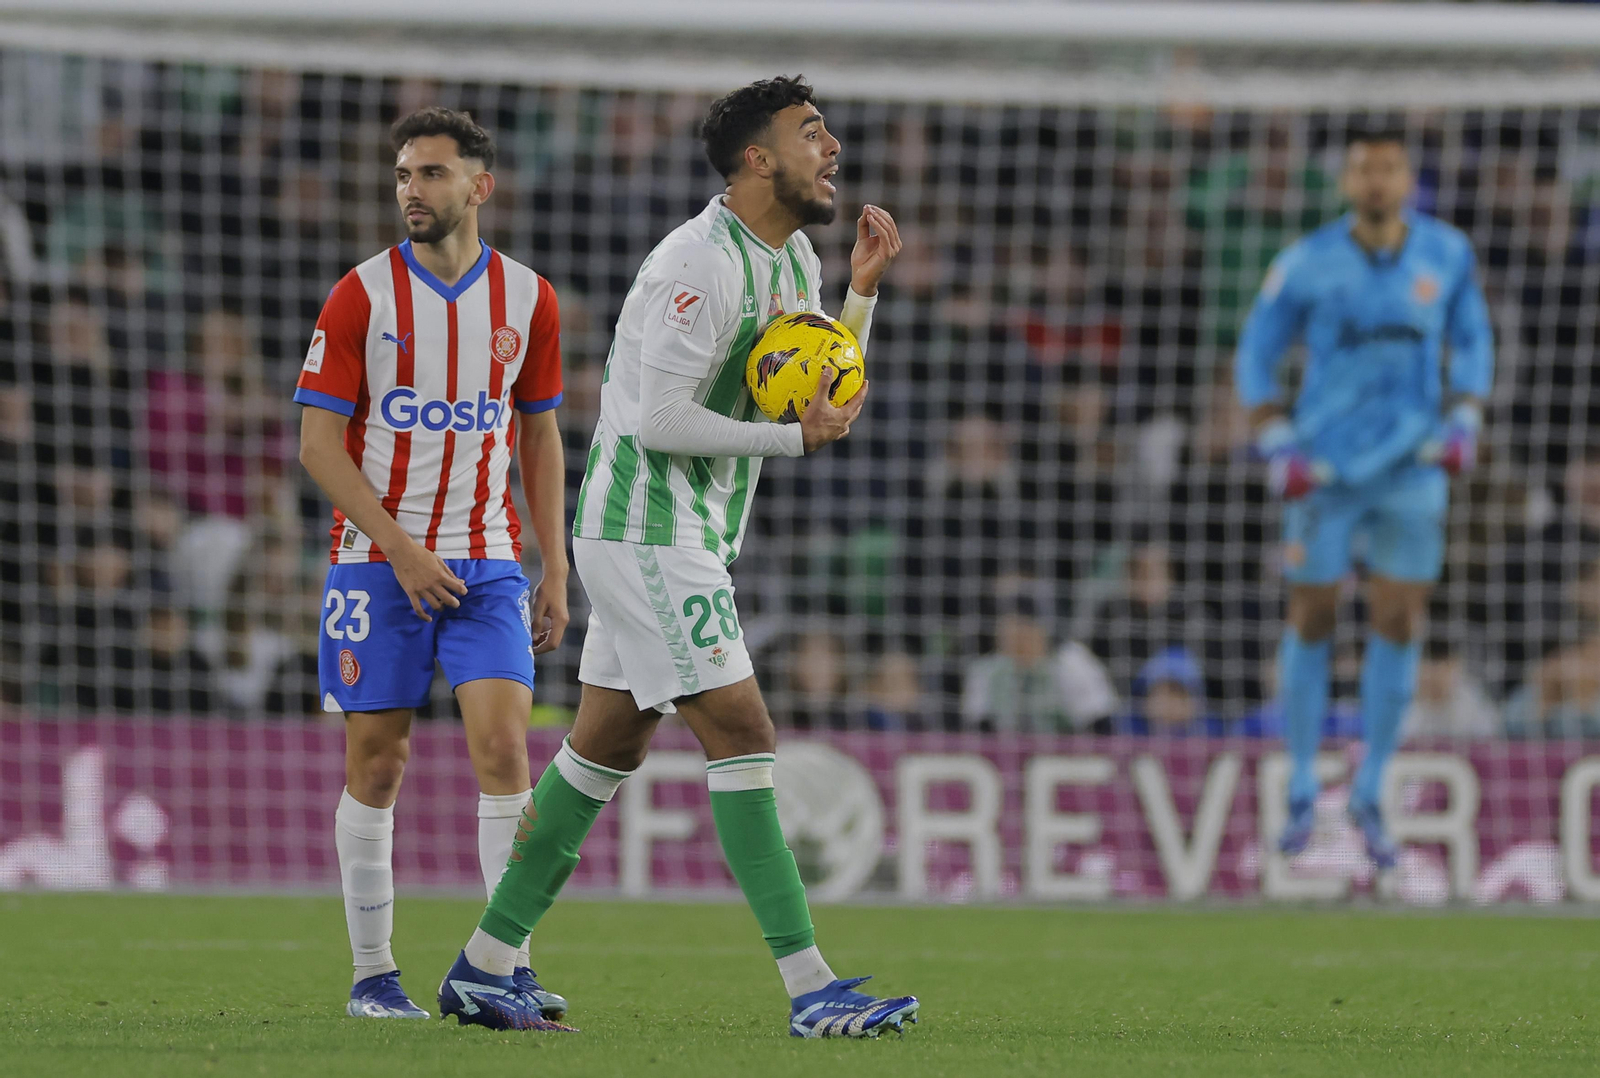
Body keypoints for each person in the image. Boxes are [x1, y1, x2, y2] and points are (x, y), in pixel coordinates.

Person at [435, 75, 919, 1039]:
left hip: (690, 530)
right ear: (757, 159)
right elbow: (658, 423)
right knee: (742, 729)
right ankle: (813, 989)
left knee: (607, 746)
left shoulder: (795, 262)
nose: (832, 148)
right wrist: (793, 444)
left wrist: (858, 295)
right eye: (810, 132)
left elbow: (819, 385)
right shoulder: (696, 265)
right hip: (646, 525)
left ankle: (485, 966)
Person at [294, 108, 570, 1022]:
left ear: (479, 187)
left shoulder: (529, 299)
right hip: (378, 564)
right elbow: (319, 447)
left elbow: (538, 433)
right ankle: (374, 976)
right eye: (405, 173)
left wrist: (555, 565)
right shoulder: (360, 296)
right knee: (378, 765)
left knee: (505, 751)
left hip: (489, 563)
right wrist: (403, 550)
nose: (413, 189)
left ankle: (505, 967)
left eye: (433, 174)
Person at [1235, 128, 1494, 869]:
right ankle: (1302, 782)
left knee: (1400, 614)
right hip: (1325, 467)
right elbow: (1255, 351)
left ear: (1407, 176)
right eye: (1363, 168)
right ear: (1347, 181)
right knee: (1313, 613)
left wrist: (1467, 415)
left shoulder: (1446, 254)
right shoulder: (1307, 261)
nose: (1377, 179)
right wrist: (1275, 436)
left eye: (1388, 166)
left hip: (1412, 463)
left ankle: (1373, 785)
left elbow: (1473, 338)